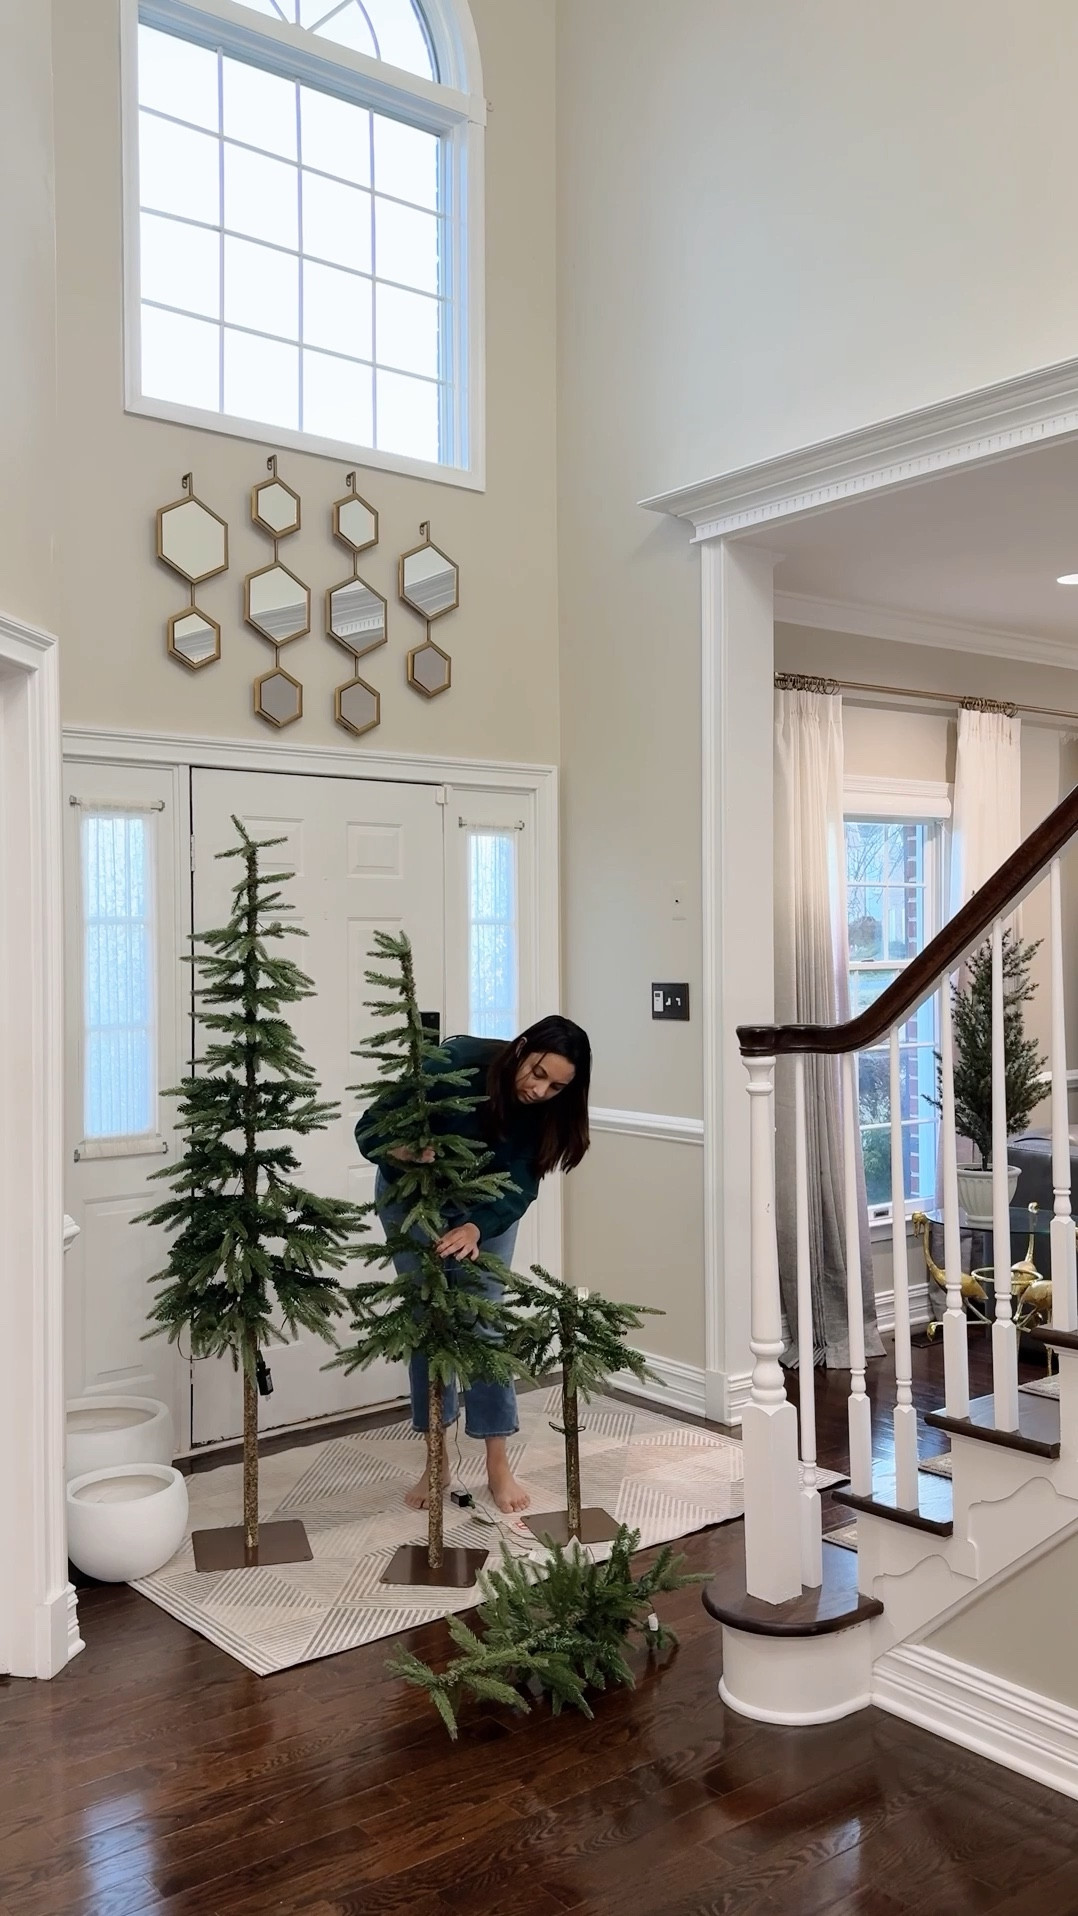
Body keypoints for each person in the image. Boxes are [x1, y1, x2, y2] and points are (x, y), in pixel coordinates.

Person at [356, 1016, 592, 1514]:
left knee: (483, 1325)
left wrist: (477, 1227)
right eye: (538, 1073)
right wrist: (404, 1152)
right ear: (521, 1047)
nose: (540, 1089)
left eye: (556, 1086)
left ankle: (497, 1462)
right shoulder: (456, 1062)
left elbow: (522, 1183)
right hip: (412, 1197)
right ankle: (435, 1460)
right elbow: (369, 1129)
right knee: (430, 1324)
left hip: (489, 1207)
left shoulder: (547, 1110)